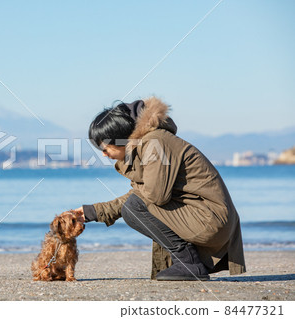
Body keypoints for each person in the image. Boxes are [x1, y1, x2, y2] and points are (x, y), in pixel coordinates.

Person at [74, 97, 246, 281]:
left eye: (104, 147)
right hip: (206, 217)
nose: (103, 153)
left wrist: (98, 211)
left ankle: (190, 264)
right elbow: (144, 194)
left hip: (210, 220)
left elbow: (154, 196)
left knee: (133, 208)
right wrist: (93, 211)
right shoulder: (149, 143)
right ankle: (187, 263)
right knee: (135, 205)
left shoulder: (156, 143)